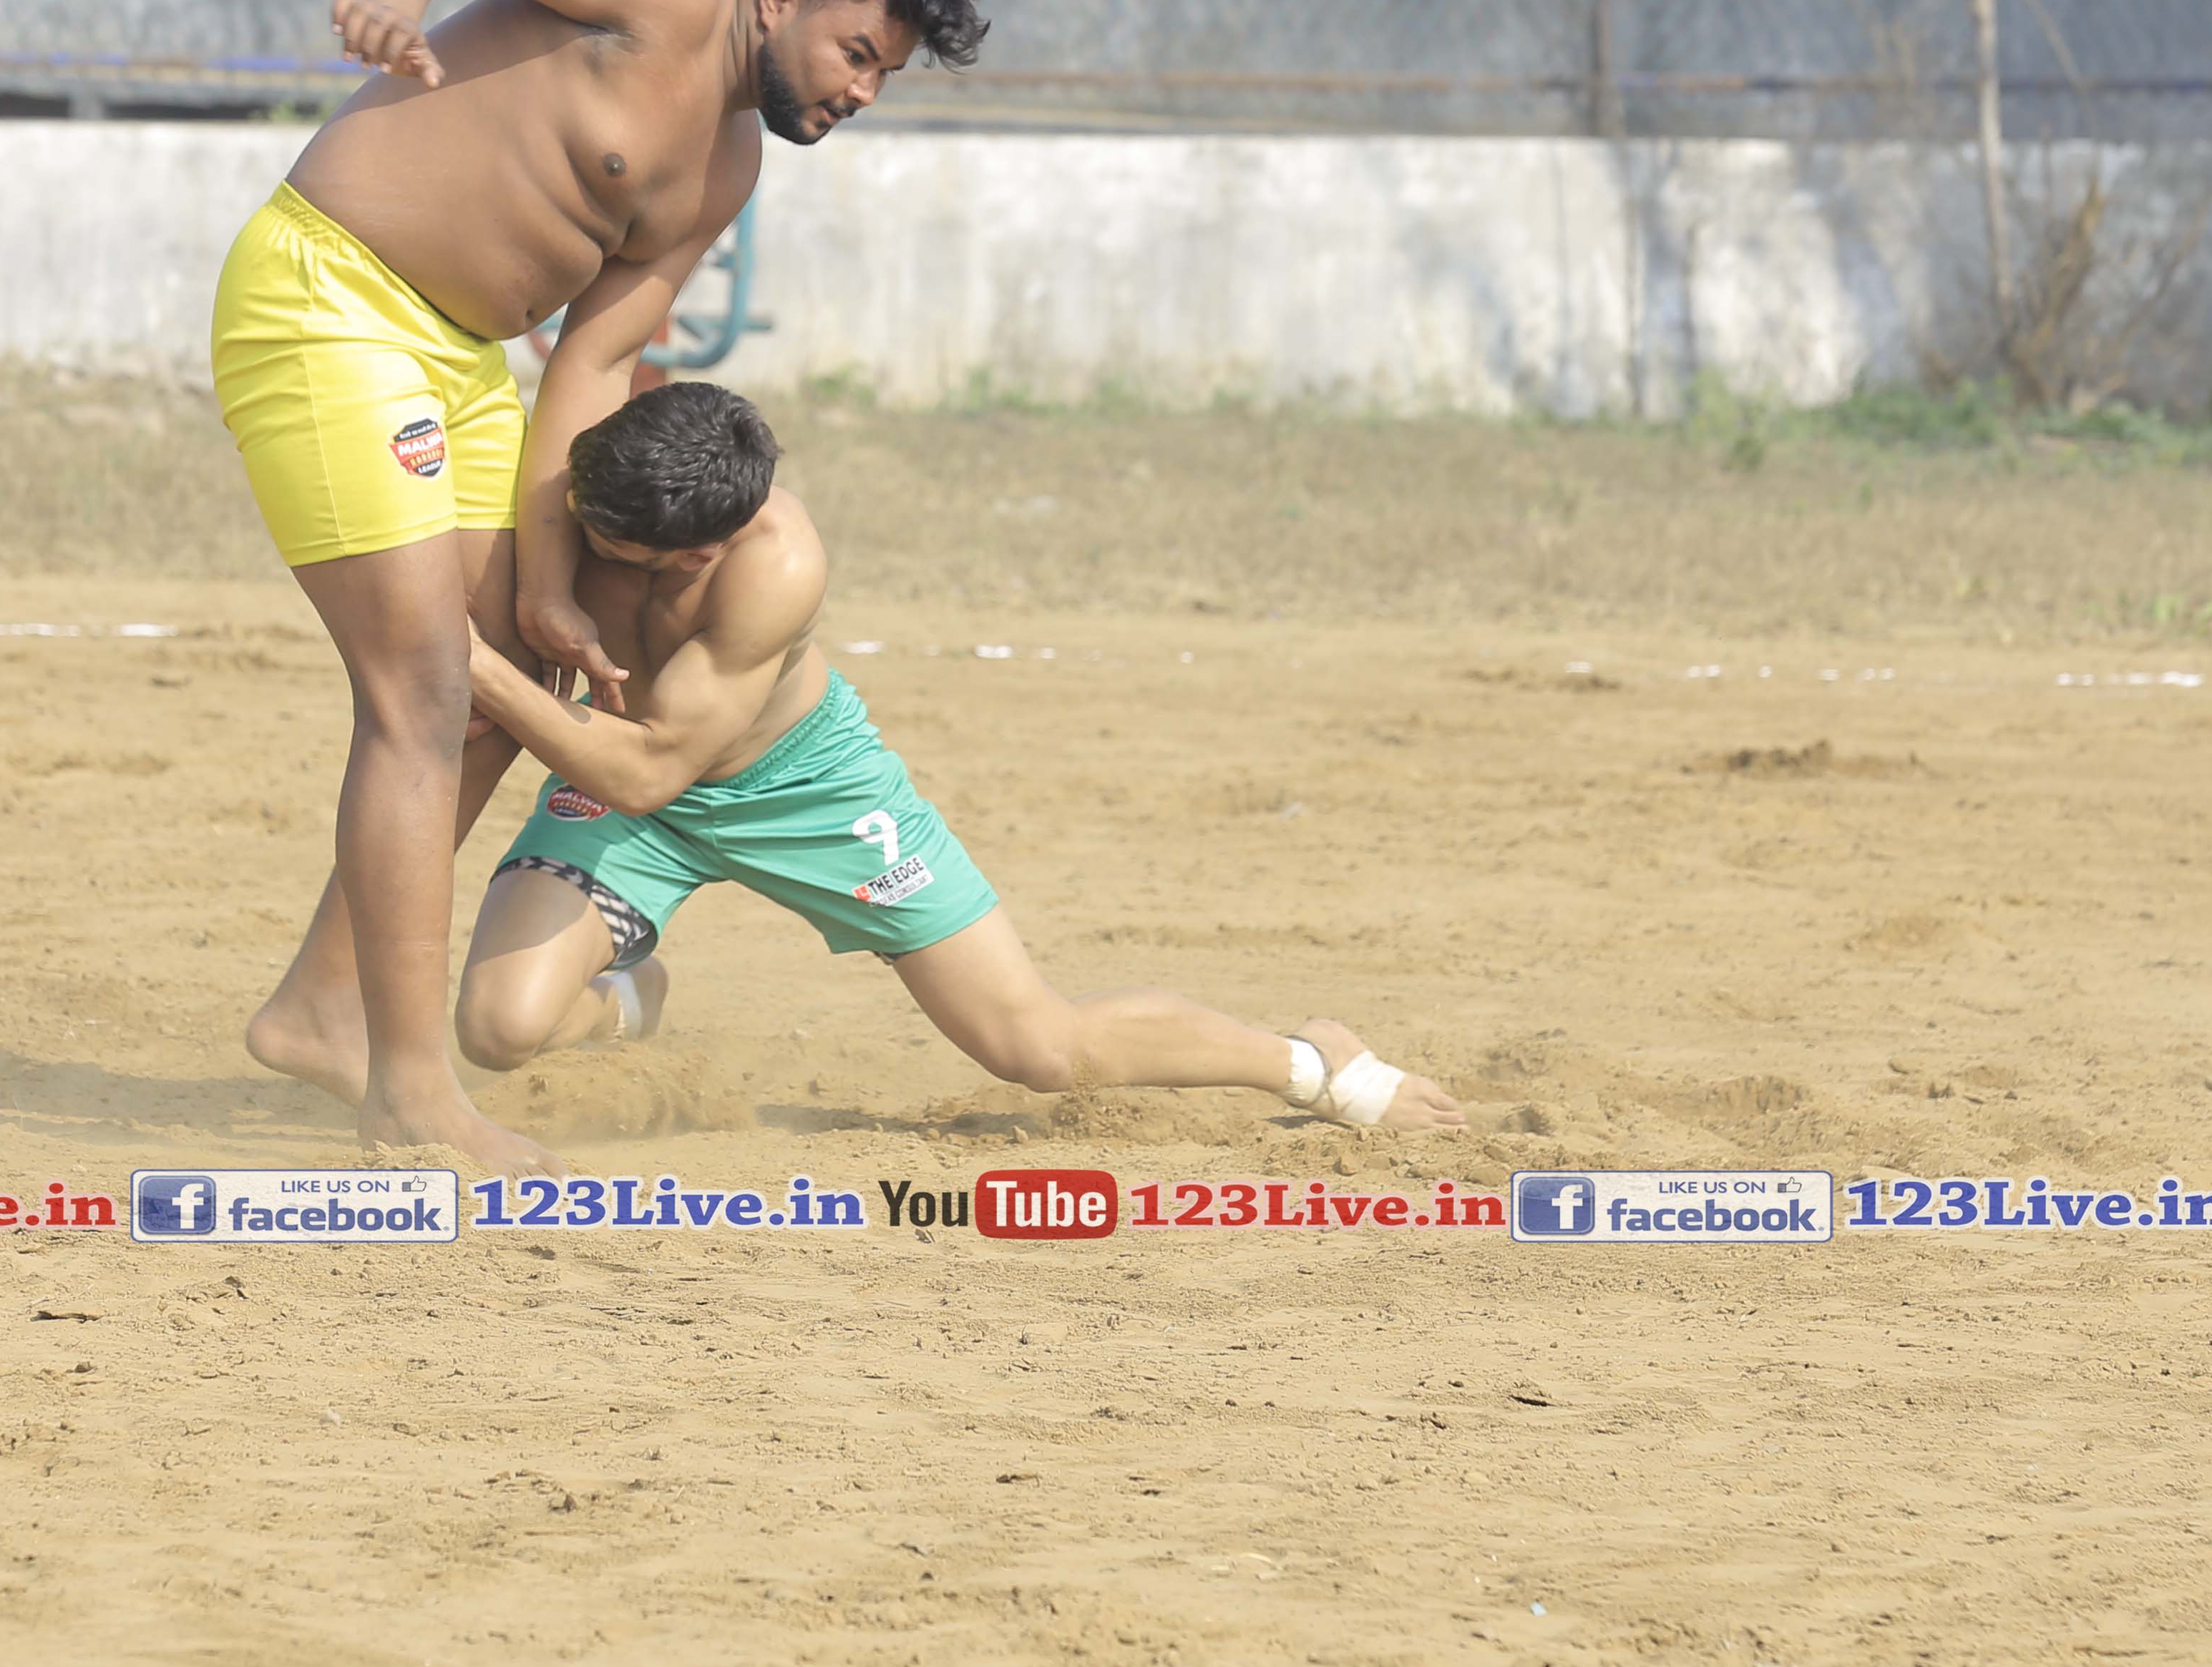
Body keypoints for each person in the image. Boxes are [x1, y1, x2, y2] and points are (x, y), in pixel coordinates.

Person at [212, 0, 986, 1173]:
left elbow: (590, 365)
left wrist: (552, 580)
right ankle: (411, 1094)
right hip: (333, 302)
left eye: (884, 76)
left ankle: (323, 1009)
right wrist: (393, 1)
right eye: (858, 53)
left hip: (465, 363)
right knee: (424, 685)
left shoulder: (726, 166)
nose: (862, 91)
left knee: (499, 687)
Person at [449, 383, 1466, 1138]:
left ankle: (1311, 1064)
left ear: (695, 554)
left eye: (606, 543)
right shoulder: (603, 478)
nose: (576, 532)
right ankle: (633, 999)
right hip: (630, 789)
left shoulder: (775, 567)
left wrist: (481, 670)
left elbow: (647, 771)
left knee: (1040, 1049)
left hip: (803, 793)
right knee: (496, 1030)